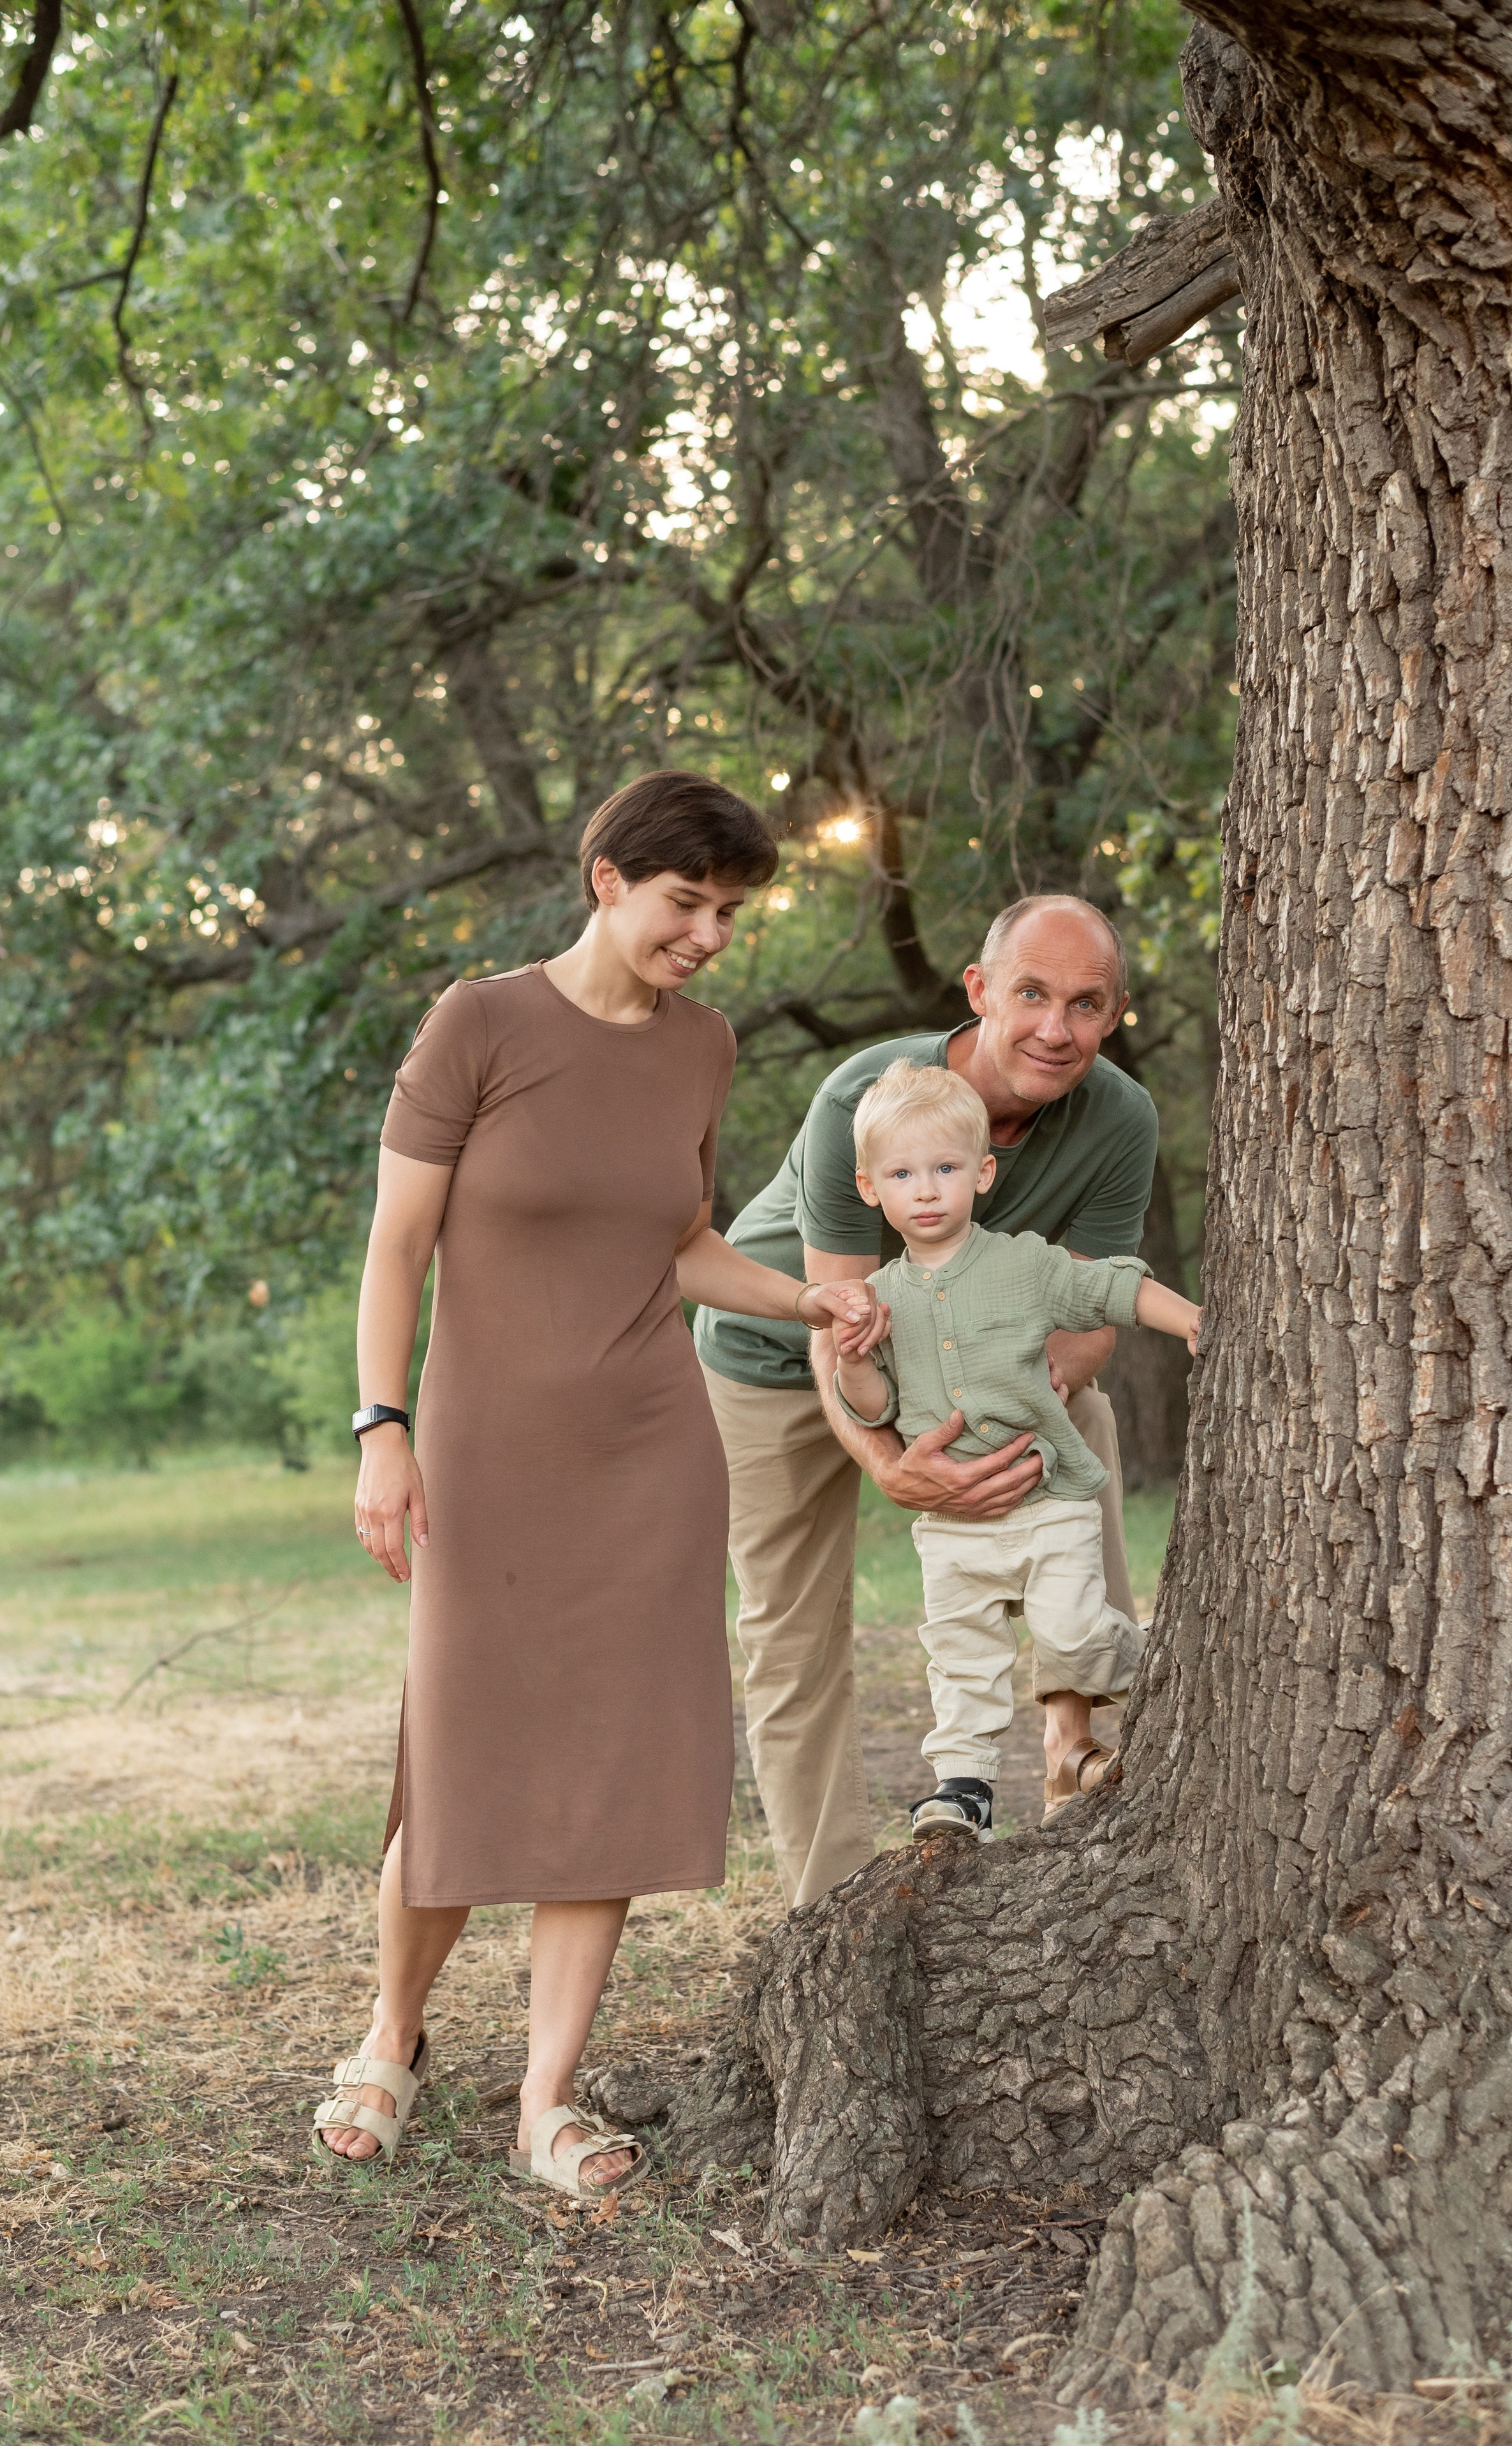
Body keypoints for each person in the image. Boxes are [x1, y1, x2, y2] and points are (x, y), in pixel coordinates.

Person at [312, 772, 881, 2199]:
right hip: (486, 1452)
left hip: (648, 1453)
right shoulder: (480, 1023)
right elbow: (396, 1247)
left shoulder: (701, 1046)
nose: (707, 935)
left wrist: (794, 1300)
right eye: (686, 903)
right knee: (458, 1748)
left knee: (613, 1769)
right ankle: (390, 2034)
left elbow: (674, 1238)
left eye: (729, 912)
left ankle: (547, 2102)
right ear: (607, 879)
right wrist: (381, 1424)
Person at [694, 893, 1158, 1908]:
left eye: (1086, 1004)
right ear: (980, 990)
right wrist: (889, 1463)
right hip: (783, 1357)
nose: (1055, 1027)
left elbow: (1084, 1321)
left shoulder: (1117, 1116)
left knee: (1084, 1423)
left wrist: (1022, 1405)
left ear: (1114, 1014)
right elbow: (837, 1313)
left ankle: (1077, 1750)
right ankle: (836, 1908)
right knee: (791, 1631)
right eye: (1031, 993)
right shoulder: (867, 1092)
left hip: (972, 1362)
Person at [830, 1060, 1200, 1832]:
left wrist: (1193, 1319)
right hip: (952, 1526)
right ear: (871, 1188)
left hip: (1047, 1500)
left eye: (944, 1168)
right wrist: (855, 1356)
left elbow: (1112, 1289)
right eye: (902, 1173)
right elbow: (874, 1405)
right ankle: (963, 1785)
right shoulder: (879, 1299)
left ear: (982, 1173)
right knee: (961, 1655)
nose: (925, 1189)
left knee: (1068, 1636)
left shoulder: (1024, 1264)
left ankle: (1154, 1658)